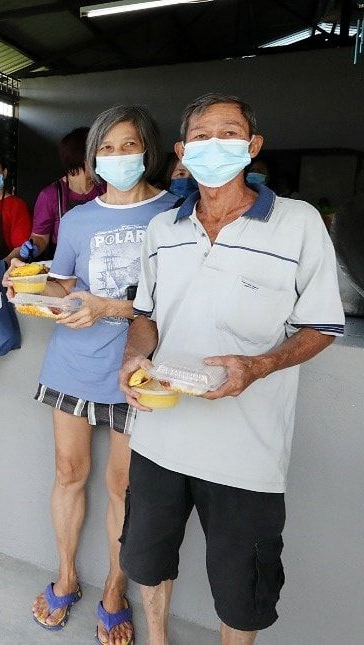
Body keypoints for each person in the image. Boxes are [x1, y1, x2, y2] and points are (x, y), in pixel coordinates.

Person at [118, 94, 344, 645]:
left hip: (247, 451)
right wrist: (134, 357)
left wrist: (259, 365)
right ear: (181, 151)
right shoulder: (162, 229)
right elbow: (145, 316)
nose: (214, 145)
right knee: (147, 563)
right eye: (202, 135)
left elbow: (321, 328)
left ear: (252, 147)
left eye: (230, 133)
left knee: (242, 592)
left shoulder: (297, 224)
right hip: (159, 436)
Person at [6, 106, 177, 645]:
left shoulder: (175, 213)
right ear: (91, 157)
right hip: (73, 363)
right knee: (68, 473)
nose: (118, 157)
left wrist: (110, 308)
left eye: (129, 146)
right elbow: (63, 285)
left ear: (148, 149)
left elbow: (175, 304)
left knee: (124, 488)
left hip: (137, 369)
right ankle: (67, 574)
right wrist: (29, 288)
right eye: (107, 148)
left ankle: (113, 590)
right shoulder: (78, 219)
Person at [10, 127, 102, 262]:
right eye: (96, 154)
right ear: (80, 157)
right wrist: (33, 246)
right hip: (65, 264)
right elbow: (40, 237)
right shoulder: (50, 196)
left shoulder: (106, 188)